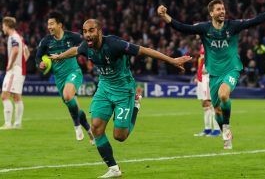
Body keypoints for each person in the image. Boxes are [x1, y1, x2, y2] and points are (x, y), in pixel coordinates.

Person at [50, 19, 192, 178]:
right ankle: (113, 169)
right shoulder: (85, 47)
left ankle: (136, 106)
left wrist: (172, 60)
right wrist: (59, 56)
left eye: (91, 30)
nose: (87, 35)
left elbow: (144, 50)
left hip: (124, 90)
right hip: (104, 89)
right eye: (84, 31)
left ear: (99, 31)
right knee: (96, 127)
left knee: (120, 136)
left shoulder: (114, 45)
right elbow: (75, 50)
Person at [158, 0, 265, 149]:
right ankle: (225, 133)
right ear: (211, 13)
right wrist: (165, 16)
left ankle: (226, 128)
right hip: (214, 74)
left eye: (223, 8)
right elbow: (183, 28)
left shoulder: (233, 26)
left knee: (224, 95)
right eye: (218, 9)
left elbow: (256, 20)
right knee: (216, 109)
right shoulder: (204, 28)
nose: (222, 11)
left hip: (231, 69)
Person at [35, 11, 94, 144]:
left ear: (60, 25)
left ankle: (76, 125)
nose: (49, 27)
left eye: (51, 24)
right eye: (48, 24)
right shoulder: (46, 41)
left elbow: (87, 43)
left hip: (73, 72)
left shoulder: (72, 37)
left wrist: (90, 57)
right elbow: (37, 57)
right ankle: (90, 131)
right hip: (59, 78)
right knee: (74, 106)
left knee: (68, 96)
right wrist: (41, 64)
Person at [0, 16, 29, 130]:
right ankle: (17, 124)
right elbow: (26, 52)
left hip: (14, 70)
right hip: (19, 69)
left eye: (3, 25)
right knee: (16, 97)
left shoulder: (13, 38)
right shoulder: (19, 37)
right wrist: (21, 63)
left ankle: (8, 124)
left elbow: (16, 50)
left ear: (7, 26)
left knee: (4, 96)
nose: (2, 27)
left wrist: (11, 64)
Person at [194, 44, 220, 137]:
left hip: (209, 77)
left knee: (213, 105)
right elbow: (201, 62)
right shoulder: (202, 44)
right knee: (205, 105)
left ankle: (217, 130)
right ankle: (207, 129)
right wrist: (197, 76)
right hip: (201, 78)